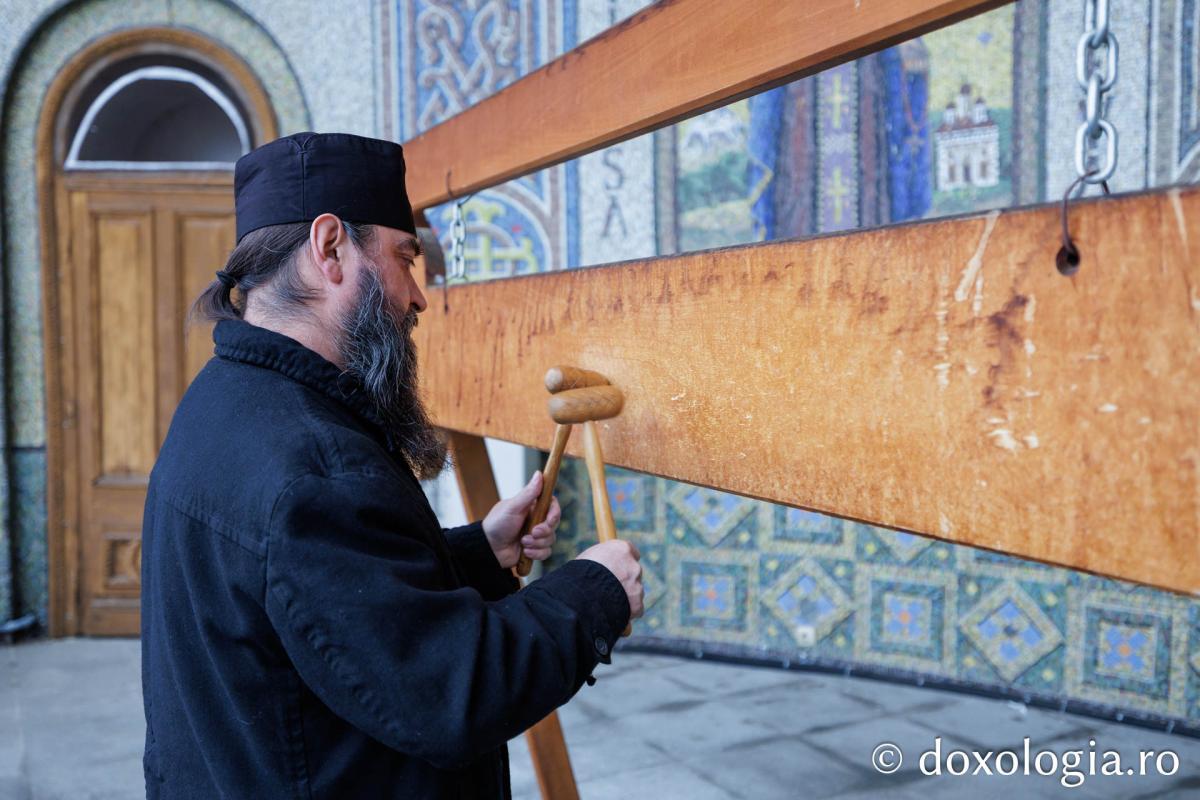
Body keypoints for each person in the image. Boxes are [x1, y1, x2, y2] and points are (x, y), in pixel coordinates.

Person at [140, 131, 644, 799]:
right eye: (405, 257)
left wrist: (479, 551)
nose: (419, 296)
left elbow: (322, 595)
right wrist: (596, 591)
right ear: (330, 249)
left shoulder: (223, 399)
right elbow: (453, 692)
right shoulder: (313, 468)